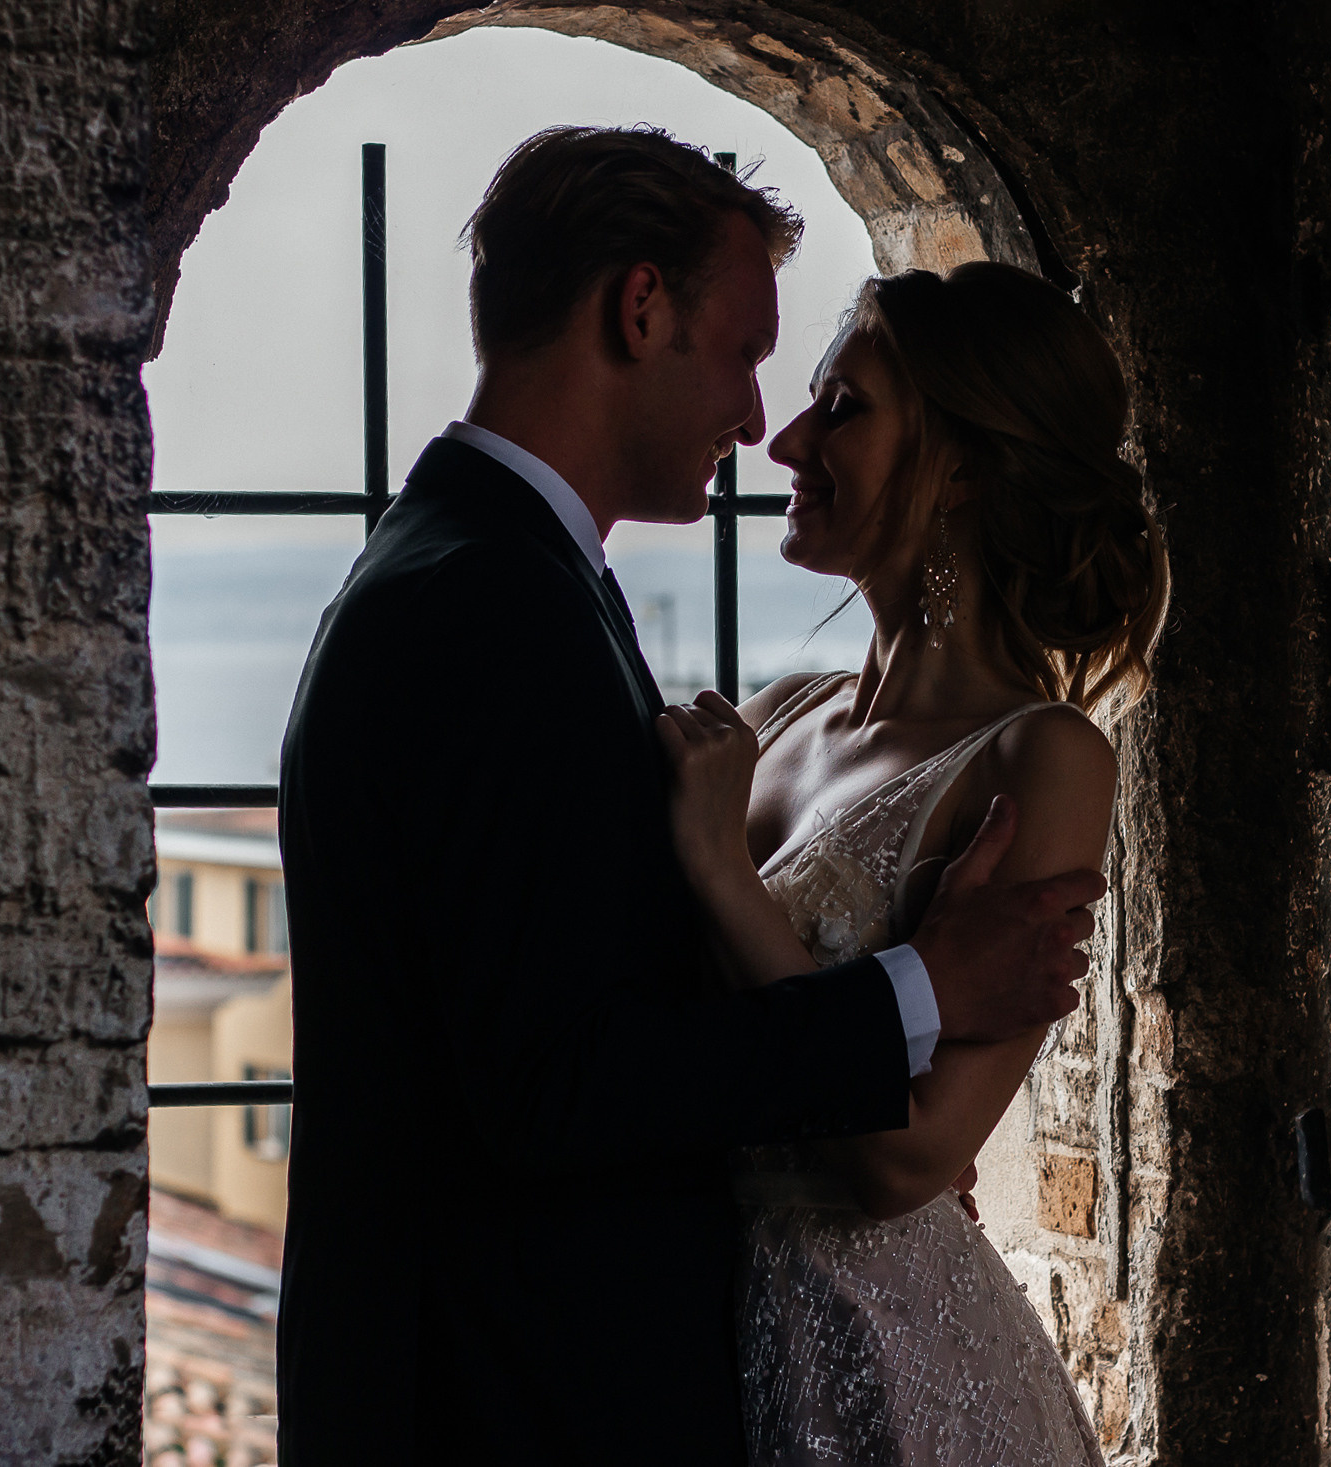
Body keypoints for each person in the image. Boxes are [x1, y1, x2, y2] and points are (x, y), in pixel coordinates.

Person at [272, 129, 1108, 1463]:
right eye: (745, 352)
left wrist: (858, 1045)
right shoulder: (489, 604)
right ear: (639, 308)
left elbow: (605, 1010)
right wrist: (910, 996)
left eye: (832, 397)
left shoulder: (510, 581)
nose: (760, 418)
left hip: (828, 1372)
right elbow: (557, 1073)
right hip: (512, 1395)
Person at [657, 262, 1169, 1464]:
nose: (785, 438)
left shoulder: (1040, 761)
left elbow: (908, 1159)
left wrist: (722, 877)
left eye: (844, 408)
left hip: (895, 1369)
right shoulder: (780, 718)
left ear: (965, 468)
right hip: (708, 1343)